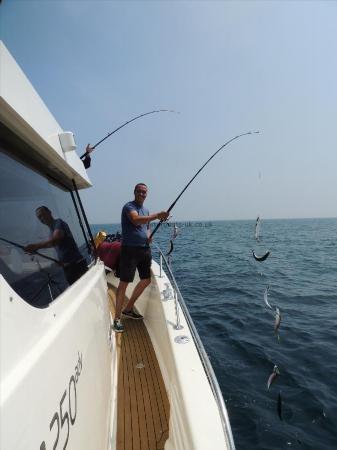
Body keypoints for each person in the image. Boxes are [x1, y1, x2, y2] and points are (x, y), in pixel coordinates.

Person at [113, 183, 169, 332]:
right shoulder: (129, 207)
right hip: (129, 250)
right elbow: (136, 220)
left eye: (144, 192)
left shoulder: (146, 209)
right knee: (124, 283)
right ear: (134, 192)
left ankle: (128, 308)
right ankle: (117, 319)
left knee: (146, 280)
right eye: (139, 191)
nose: (142, 194)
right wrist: (158, 215)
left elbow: (147, 226)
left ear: (147, 194)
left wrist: (149, 236)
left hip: (144, 249)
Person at [24, 206, 88, 285]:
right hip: (68, 268)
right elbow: (55, 244)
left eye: (42, 215)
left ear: (49, 212)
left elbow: (55, 240)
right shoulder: (52, 230)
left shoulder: (59, 223)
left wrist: (36, 247)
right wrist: (60, 260)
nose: (41, 219)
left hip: (77, 266)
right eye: (39, 217)